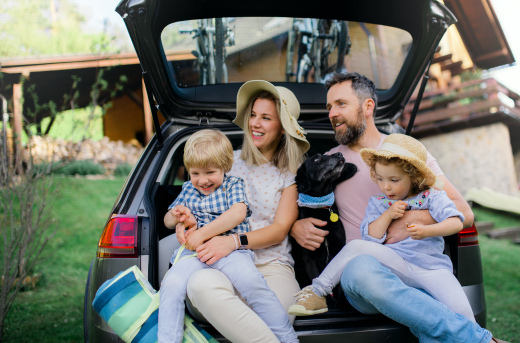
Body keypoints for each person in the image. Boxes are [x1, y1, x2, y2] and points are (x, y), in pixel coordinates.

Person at [290, 72, 506, 343]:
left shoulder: (410, 154)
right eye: (329, 107)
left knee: (432, 315)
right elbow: (298, 205)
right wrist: (295, 226)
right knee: (360, 269)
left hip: (421, 266)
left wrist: (412, 219)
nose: (332, 113)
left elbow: (464, 211)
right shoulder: (329, 163)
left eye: (341, 104)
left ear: (368, 107)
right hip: (368, 279)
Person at [288, 133, 474, 323]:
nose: (386, 187)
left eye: (394, 180)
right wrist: (388, 215)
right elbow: (371, 238)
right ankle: (317, 291)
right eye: (380, 179)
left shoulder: (432, 197)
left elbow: (457, 222)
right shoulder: (379, 202)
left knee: (464, 315)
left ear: (414, 177)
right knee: (356, 246)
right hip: (395, 264)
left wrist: (428, 230)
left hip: (432, 268)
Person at [183, 81, 310, 343]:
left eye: (266, 117)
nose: (255, 123)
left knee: (277, 313)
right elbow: (195, 200)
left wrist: (232, 241)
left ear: (283, 127)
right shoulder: (226, 162)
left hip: (272, 266)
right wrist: (181, 222)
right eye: (252, 115)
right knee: (198, 286)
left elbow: (279, 230)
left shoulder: (291, 172)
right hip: (224, 264)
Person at [158, 129, 298, 343]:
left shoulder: (233, 185)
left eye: (209, 172)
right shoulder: (188, 189)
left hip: (232, 253)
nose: (202, 180)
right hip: (195, 256)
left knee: (253, 284)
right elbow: (167, 220)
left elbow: (238, 213)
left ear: (225, 168)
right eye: (195, 173)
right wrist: (176, 216)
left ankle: (287, 338)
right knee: (171, 283)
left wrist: (202, 233)